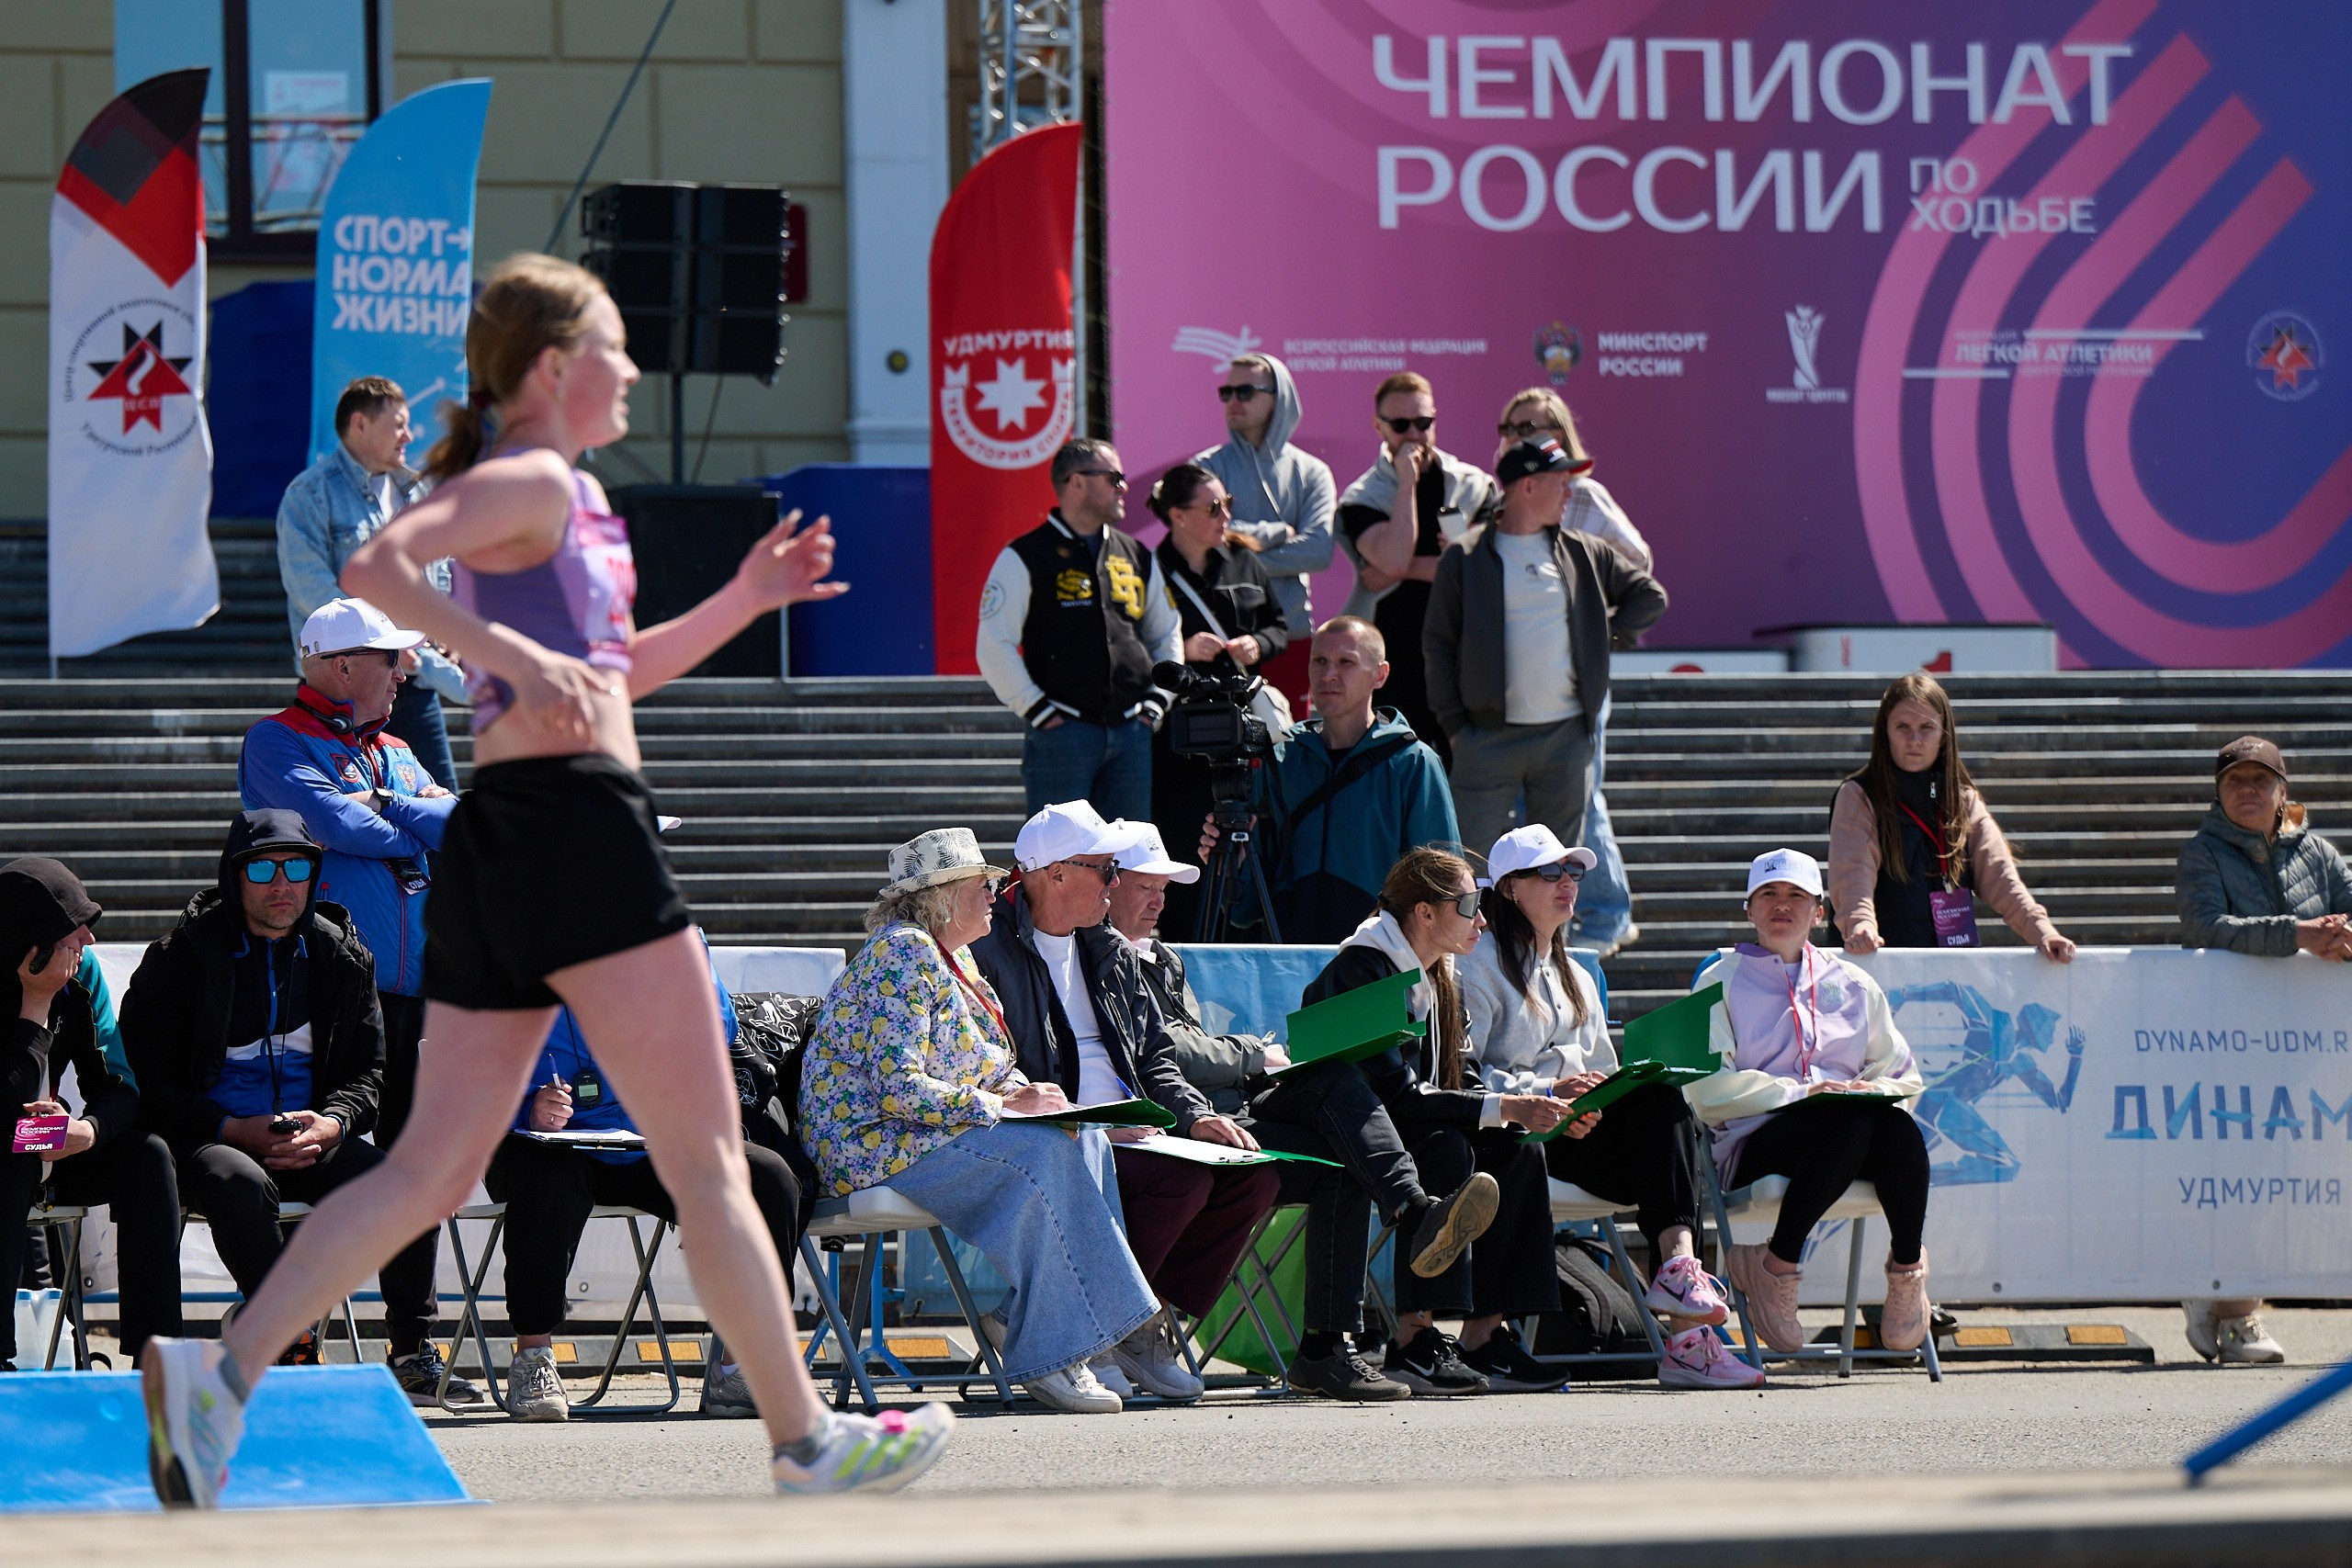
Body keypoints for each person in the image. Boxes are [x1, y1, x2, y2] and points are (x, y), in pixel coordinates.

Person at [139, 254, 949, 1509]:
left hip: (509, 837)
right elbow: (376, 572)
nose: (633, 372)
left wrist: (747, 593)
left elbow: (610, 677)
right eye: (618, 352)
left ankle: (223, 1375)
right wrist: (507, 647)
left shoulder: (570, 497)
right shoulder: (521, 476)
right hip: (575, 828)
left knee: (431, 1172)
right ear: (559, 369)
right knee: (710, 1157)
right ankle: (803, 1438)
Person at [1103, 824, 1502, 1403]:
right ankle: (1414, 1213)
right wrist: (1252, 1054)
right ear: (1108, 886)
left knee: (1342, 1153)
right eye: (1145, 886)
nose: (1160, 900)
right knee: (1335, 1077)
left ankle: (1325, 1350)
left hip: (1226, 1115)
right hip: (1181, 1125)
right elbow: (1168, 1051)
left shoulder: (1161, 958)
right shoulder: (1102, 958)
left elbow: (1184, 1045)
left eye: (1166, 887)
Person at [798, 827, 1162, 1415]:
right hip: (872, 1144)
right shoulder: (905, 951)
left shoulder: (952, 954)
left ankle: (1051, 1330)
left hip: (921, 1134)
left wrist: (1031, 1092)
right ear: (941, 898)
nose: (997, 893)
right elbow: (896, 1088)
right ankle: (1055, 1352)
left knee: (1081, 1135)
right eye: (981, 885)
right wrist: (1001, 1106)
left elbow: (987, 1063)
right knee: (1045, 1153)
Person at [119, 810, 474, 1401]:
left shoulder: (340, 955)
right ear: (233, 877)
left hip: (311, 1136)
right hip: (211, 1140)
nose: (281, 884)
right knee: (237, 1181)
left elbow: (369, 1072)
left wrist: (333, 1123)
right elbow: (148, 1084)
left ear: (314, 876)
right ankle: (290, 1337)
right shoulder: (180, 958)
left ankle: (412, 1349)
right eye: (262, 869)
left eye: (297, 868)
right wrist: (231, 1127)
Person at [968, 802, 1282, 1399]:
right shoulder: (990, 950)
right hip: (1062, 1132)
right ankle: (1099, 1322)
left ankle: (1135, 1318)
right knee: (1178, 1182)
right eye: (1106, 869)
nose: (1116, 881)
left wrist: (1198, 1115)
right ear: (1056, 874)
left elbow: (1156, 1057)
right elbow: (990, 1069)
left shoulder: (1108, 948)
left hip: (1136, 1125)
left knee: (1254, 1177)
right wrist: (1088, 1125)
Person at [1462, 826, 1758, 1391]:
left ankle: (1679, 1279)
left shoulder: (1576, 974)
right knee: (1659, 1115)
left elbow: (1599, 1069)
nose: (1567, 883)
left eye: (1571, 872)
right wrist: (1550, 1095)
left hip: (1578, 1133)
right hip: (1517, 1132)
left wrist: (1603, 1094)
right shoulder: (1475, 965)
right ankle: (1686, 1329)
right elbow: (1463, 1076)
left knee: (1665, 1102)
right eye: (1549, 873)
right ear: (1508, 890)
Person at [1302, 849, 1575, 1395]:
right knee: (1447, 1147)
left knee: (1518, 1147)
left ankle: (1485, 1336)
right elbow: (1393, 1097)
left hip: (1405, 1124)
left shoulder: (1441, 974)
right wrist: (1501, 1105)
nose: (1482, 919)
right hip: (1349, 1133)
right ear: (1424, 913)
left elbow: (1462, 1076)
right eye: (1470, 904)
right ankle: (1415, 1340)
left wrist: (1509, 1111)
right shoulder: (1362, 967)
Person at [491, 948, 807, 1422]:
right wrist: (526, 1106)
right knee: (547, 1175)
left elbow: (718, 1032)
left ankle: (742, 1368)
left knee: (768, 1177)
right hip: (552, 1142)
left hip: (656, 1137)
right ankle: (532, 1357)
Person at [1687, 849, 1931, 1358]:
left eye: (1797, 896)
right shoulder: (1719, 982)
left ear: (1819, 913)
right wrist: (1803, 1092)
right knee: (1850, 1121)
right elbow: (1706, 1090)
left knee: (1892, 1127)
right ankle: (1777, 1266)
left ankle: (1907, 1269)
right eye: (1768, 895)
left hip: (1849, 1136)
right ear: (1748, 909)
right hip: (1757, 1144)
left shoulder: (1855, 984)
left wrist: (1871, 1091)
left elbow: (1902, 1073)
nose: (1782, 906)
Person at [240, 598, 455, 1155]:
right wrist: (414, 816)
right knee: (331, 1155)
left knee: (415, 1165)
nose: (404, 670)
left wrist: (382, 801)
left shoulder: (398, 748)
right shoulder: (275, 739)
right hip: (326, 987)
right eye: (389, 658)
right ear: (343, 667)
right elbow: (336, 823)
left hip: (415, 989)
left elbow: (458, 826)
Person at [2173, 735, 2352, 1365]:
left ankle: (2212, 1286)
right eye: (2234, 782)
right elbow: (2206, 927)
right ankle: (2240, 1312)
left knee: (2290, 1177)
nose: (2248, 791)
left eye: (2260, 780)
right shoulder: (2202, 853)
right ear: (2219, 794)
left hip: (2312, 1046)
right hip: (2231, 1041)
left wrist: (2343, 936)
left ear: (2284, 792)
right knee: (2245, 1177)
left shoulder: (2321, 854)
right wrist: (2301, 935)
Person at [1424, 437, 1668, 860]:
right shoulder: (1465, 556)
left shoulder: (1581, 550)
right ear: (1528, 487)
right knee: (1462, 868)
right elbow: (1438, 644)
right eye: (1560, 482)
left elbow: (1649, 597)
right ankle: (1470, 931)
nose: (1570, 493)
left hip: (1565, 739)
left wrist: (1600, 639)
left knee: (1555, 872)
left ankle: (1549, 933)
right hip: (1486, 738)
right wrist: (1456, 727)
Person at [0, 859, 181, 1371]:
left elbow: (120, 1086)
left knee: (149, 1156)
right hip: (7, 1149)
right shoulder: (36, 983)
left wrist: (86, 1129)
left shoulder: (85, 976)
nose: (89, 939)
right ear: (30, 944)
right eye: (72, 926)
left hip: (45, 1143)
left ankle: (155, 1354)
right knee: (11, 1155)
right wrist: (35, 1003)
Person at [1491, 389, 1652, 955]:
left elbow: (1639, 560)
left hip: (1576, 675)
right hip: (1520, 678)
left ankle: (1606, 914)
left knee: (1583, 793)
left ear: (1559, 430)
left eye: (1531, 425)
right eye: (1510, 426)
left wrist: (1590, 618)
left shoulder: (1581, 496)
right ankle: (1567, 912)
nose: (1519, 433)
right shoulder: (1501, 499)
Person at [1196, 616, 1459, 942]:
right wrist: (1231, 866)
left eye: (1346, 662)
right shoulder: (1281, 760)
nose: (1329, 674)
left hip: (1379, 969)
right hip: (1290, 962)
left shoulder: (1413, 762)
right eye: (1319, 661)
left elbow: (1441, 886)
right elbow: (1244, 912)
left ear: (1380, 674)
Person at [276, 376, 463, 794]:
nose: (409, 436)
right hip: (343, 684)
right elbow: (309, 587)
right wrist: (384, 642)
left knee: (441, 809)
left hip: (412, 683)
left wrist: (449, 628)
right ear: (359, 424)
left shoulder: (417, 491)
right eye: (397, 424)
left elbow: (443, 570)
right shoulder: (309, 494)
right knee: (350, 810)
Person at [976, 438, 1181, 821]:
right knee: (1060, 864)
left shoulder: (1136, 553)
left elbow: (1166, 631)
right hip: (1061, 736)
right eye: (1114, 477)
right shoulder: (1025, 555)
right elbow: (994, 645)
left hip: (1132, 731)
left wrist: (1155, 704)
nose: (1125, 486)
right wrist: (1037, 711)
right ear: (1077, 483)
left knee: (1131, 861)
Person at [1828, 672, 2076, 961]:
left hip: (1952, 967)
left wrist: (2043, 932)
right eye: (1902, 727)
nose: (1915, 739)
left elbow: (2002, 879)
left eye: (1927, 727)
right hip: (1879, 959)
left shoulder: (1965, 801)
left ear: (1944, 735)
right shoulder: (1858, 796)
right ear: (1885, 732)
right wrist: (1860, 925)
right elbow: (1852, 876)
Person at [1148, 462, 1289, 939]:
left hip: (1244, 729)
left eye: (1229, 503)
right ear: (1178, 516)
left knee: (1254, 837)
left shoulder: (1246, 561)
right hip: (1181, 739)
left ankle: (1248, 939)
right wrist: (1182, 651)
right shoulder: (1151, 569)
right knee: (1187, 845)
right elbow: (1135, 643)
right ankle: (1188, 949)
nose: (1226, 514)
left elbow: (1278, 626)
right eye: (1213, 507)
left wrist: (1258, 645)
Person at [1335, 372, 1501, 763]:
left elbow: (1482, 569)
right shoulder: (1363, 496)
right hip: (1394, 662)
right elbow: (1392, 556)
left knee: (1466, 775)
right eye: (1400, 425)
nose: (1414, 434)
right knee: (1398, 771)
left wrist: (1403, 571)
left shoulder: (1474, 485)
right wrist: (1406, 485)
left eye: (1423, 423)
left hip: (1463, 653)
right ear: (1379, 427)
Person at [1195, 353, 1336, 716]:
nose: (1233, 401)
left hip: (1290, 637)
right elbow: (1203, 542)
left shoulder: (1312, 472)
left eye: (1245, 391)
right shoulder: (1205, 468)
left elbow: (1319, 551)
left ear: (1280, 397)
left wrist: (1237, 552)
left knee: (1286, 752)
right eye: (1226, 392)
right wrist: (1277, 533)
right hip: (1219, 639)